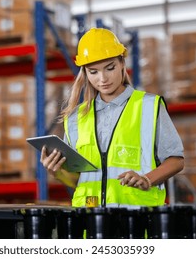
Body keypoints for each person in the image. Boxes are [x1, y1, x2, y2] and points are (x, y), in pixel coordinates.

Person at [40, 27, 184, 208]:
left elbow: (176, 160)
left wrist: (147, 179)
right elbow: (81, 181)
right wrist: (57, 172)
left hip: (135, 222)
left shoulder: (148, 106)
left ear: (122, 63)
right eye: (93, 72)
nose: (103, 78)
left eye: (110, 68)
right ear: (84, 72)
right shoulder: (76, 118)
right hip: (91, 224)